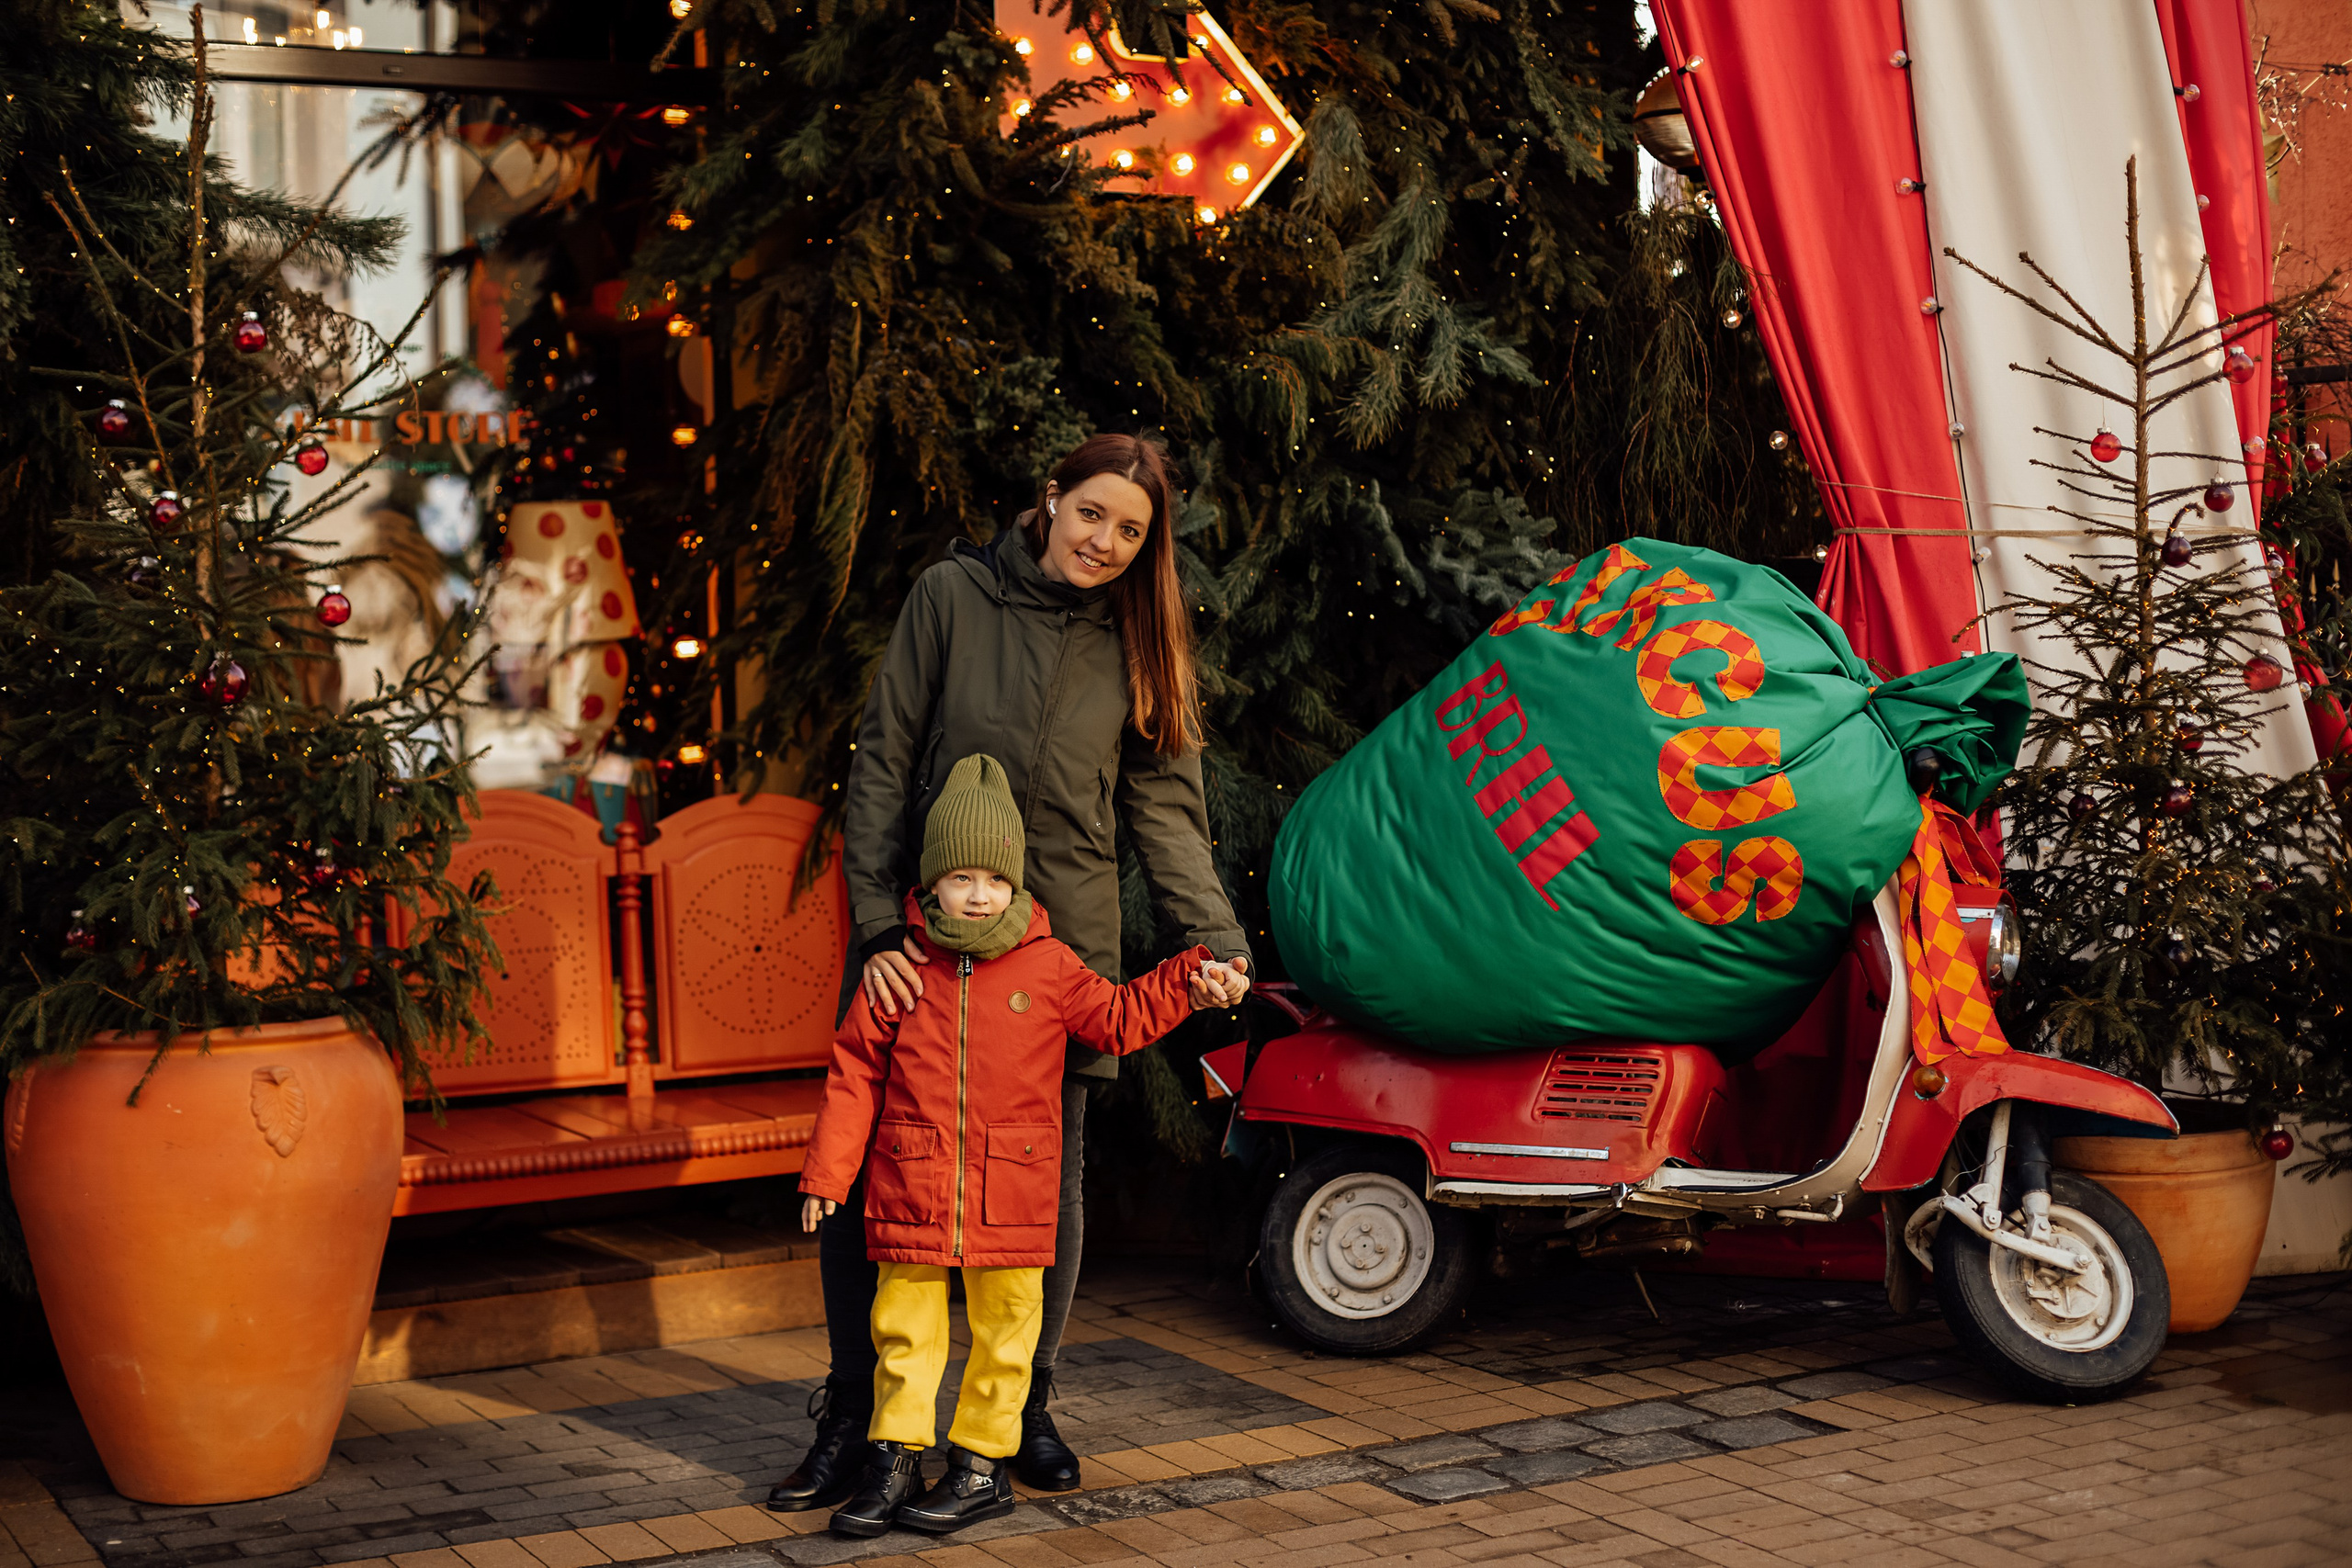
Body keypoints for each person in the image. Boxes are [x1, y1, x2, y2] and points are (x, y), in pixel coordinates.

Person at [768, 434, 1253, 1509]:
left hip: (1057, 955)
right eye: (1092, 515)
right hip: (923, 946)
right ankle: (860, 1419)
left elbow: (1166, 816)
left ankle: (1013, 1413)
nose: (1106, 543)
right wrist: (878, 936)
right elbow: (887, 763)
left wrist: (1213, 942)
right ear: (1050, 499)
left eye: (1131, 531)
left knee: (1048, 1189)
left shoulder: (1143, 638)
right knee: (872, 1186)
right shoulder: (952, 596)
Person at [797, 754, 1240, 1537]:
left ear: (1016, 884)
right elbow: (855, 1072)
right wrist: (829, 1173)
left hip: (1014, 1192)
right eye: (961, 878)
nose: (978, 895)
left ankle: (980, 1465)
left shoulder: (1050, 966)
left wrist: (1187, 974)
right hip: (911, 1187)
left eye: (994, 880)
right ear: (932, 883)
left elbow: (1119, 1017)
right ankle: (895, 1458)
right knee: (903, 1329)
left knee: (1007, 1332)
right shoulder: (901, 969)